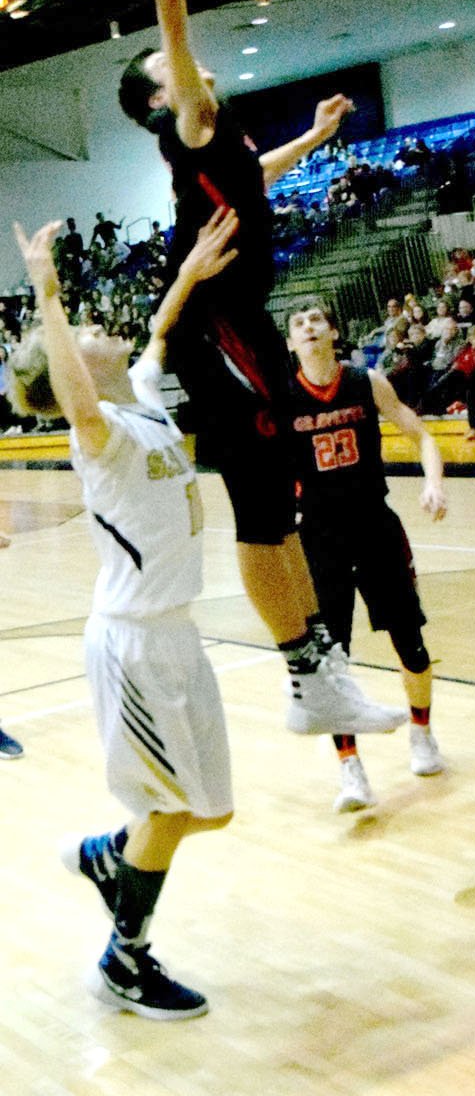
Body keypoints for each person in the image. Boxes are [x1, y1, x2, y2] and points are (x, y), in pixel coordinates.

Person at [93, 0, 405, 739]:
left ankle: (317, 667)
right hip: (215, 329)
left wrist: (311, 137)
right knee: (265, 508)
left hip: (240, 323)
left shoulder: (215, 142)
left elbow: (254, 183)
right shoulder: (184, 116)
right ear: (161, 93)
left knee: (287, 499)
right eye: (170, 66)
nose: (186, 62)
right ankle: (308, 677)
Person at [8, 209, 244, 1018]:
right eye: (83, 337)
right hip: (135, 644)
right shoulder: (98, 431)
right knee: (171, 808)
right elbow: (72, 391)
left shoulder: (139, 398)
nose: (102, 334)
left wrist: (190, 273)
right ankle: (124, 962)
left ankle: (111, 857)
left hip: (176, 634)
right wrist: (46, 290)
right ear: (71, 362)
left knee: (208, 809)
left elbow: (155, 330)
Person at [287, 303, 448, 812]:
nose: (309, 329)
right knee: (332, 664)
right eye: (299, 324)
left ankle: (422, 734)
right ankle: (350, 769)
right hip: (318, 538)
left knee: (411, 641)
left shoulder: (366, 381)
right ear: (291, 343)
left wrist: (434, 483)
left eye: (317, 320)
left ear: (334, 331)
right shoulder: (282, 397)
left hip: (375, 527)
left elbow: (421, 435)